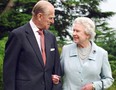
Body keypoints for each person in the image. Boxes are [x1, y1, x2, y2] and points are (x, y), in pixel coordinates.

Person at [3, 1, 62, 90]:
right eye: (50, 18)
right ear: (40, 16)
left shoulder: (51, 37)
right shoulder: (18, 35)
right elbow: (9, 71)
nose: (52, 21)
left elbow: (56, 69)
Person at [60, 17, 114, 90]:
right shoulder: (66, 50)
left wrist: (94, 86)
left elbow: (109, 79)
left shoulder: (101, 53)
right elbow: (58, 74)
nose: (74, 33)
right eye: (74, 30)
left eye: (77, 31)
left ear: (88, 35)